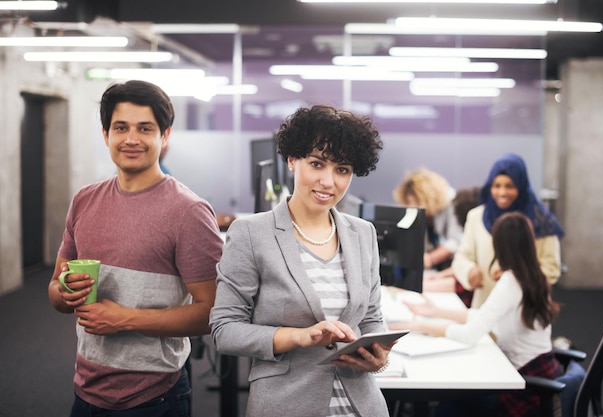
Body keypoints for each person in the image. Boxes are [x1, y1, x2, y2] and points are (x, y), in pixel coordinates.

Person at [47, 80, 223, 416]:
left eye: (145, 128)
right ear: (105, 134)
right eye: (120, 127)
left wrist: (124, 319)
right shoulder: (84, 200)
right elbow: (55, 289)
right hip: (86, 389)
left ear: (165, 136)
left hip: (156, 396)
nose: (131, 139)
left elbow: (213, 313)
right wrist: (64, 294)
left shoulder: (189, 212)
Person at [209, 105, 392, 417]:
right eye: (317, 164)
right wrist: (299, 337)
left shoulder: (363, 234)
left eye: (342, 169)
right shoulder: (252, 233)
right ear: (292, 160)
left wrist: (380, 357)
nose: (328, 181)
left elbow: (372, 319)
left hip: (361, 407)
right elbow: (225, 330)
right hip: (286, 404)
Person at [390, 211, 562, 417]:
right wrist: (435, 312)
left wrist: (421, 326)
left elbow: (470, 334)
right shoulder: (535, 275)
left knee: (447, 405)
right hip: (540, 375)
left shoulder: (511, 281)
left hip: (522, 388)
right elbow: (486, 317)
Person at [452, 153, 564, 308]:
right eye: (496, 186)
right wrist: (469, 272)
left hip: (525, 310)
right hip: (485, 307)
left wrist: (515, 279)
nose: (502, 192)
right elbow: (462, 257)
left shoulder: (541, 221)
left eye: (510, 186)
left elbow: (551, 268)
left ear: (521, 186)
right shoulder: (477, 217)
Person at [393, 168, 463, 271]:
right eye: (409, 202)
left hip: (454, 265)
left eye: (416, 201)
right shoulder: (417, 212)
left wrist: (430, 259)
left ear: (427, 197)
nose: (413, 206)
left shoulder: (453, 202)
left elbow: (456, 242)